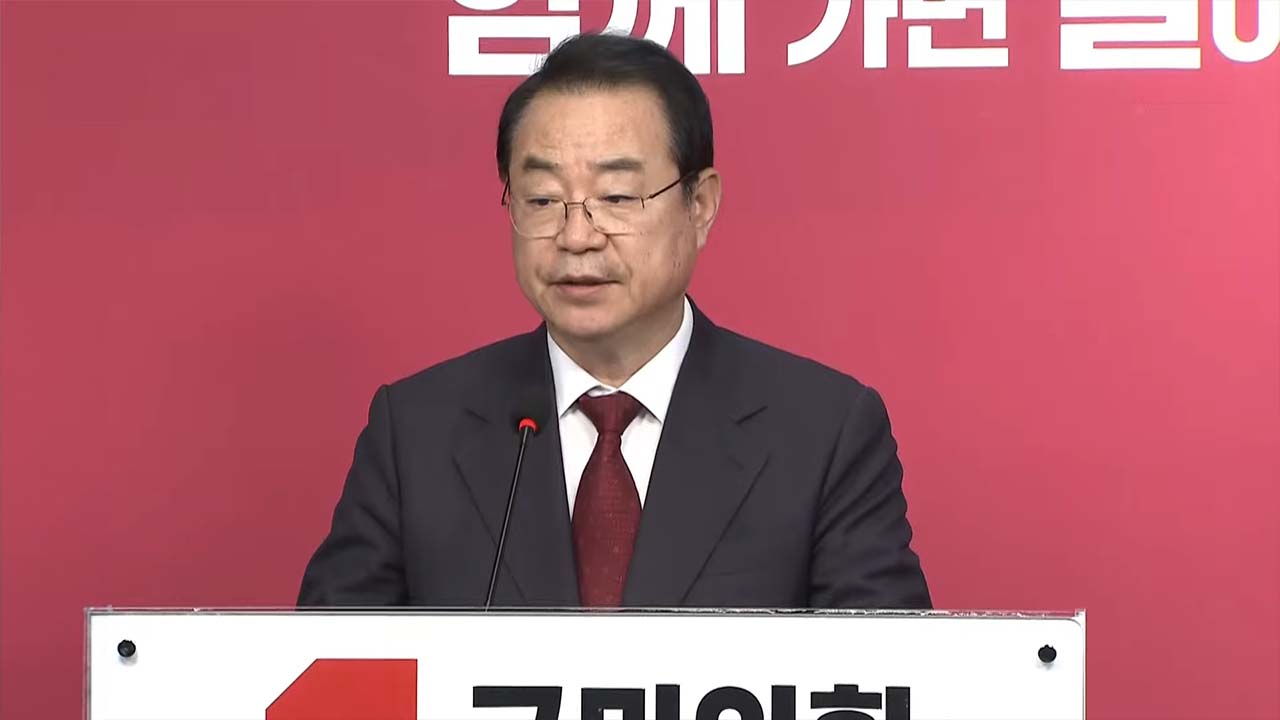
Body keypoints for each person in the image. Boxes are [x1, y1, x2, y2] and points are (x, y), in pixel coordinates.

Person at [298, 32, 930, 609]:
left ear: (700, 204)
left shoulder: (823, 433)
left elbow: (890, 675)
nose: (576, 236)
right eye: (543, 199)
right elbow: (324, 669)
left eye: (617, 197)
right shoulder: (416, 433)